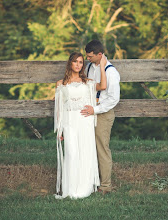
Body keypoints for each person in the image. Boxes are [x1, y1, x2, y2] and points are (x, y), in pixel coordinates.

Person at [54, 52, 107, 199]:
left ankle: (84, 188)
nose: (78, 65)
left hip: (85, 121)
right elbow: (59, 108)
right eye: (75, 62)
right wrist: (60, 129)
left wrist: (102, 66)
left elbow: (103, 86)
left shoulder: (87, 82)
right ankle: (70, 188)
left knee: (85, 152)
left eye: (81, 62)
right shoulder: (61, 84)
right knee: (71, 153)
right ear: (70, 63)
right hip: (69, 121)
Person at [81, 40, 120, 194]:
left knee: (101, 148)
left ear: (99, 54)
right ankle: (90, 181)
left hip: (103, 113)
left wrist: (95, 110)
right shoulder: (90, 67)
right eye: (87, 56)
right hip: (89, 111)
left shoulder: (111, 72)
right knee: (88, 147)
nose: (87, 59)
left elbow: (113, 99)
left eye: (90, 56)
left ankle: (105, 186)